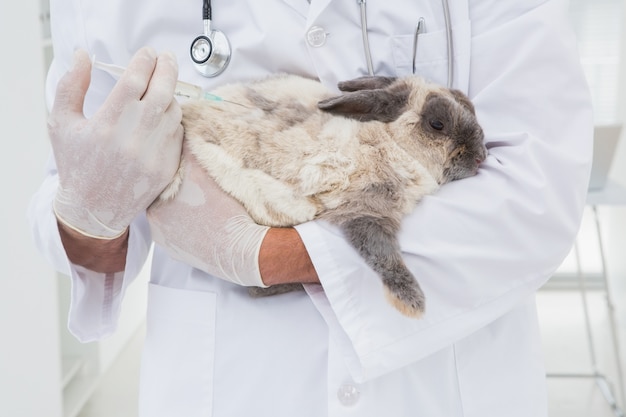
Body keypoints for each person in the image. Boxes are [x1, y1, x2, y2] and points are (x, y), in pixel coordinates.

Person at [28, 0, 593, 416]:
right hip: (236, 386)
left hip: (437, 383)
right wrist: (91, 214)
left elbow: (539, 182)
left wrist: (267, 255)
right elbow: (79, 221)